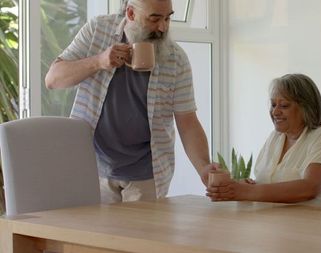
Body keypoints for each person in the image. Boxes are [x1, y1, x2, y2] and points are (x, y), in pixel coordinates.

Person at [45, 0, 215, 203]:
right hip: (92, 168)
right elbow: (53, 79)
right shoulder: (97, 30)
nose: (163, 27)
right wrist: (99, 61)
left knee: (140, 235)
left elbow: (187, 122)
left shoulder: (176, 58)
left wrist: (204, 168)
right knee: (93, 235)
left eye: (168, 18)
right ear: (131, 13)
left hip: (147, 175)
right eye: (154, 19)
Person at [207, 74, 321, 207]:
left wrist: (244, 191)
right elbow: (270, 184)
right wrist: (246, 185)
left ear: (306, 108)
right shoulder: (275, 137)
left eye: (284, 105)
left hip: (315, 227)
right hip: (272, 225)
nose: (275, 112)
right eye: (273, 105)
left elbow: (310, 187)